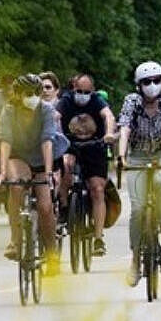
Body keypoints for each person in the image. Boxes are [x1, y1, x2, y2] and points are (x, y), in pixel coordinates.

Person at [118, 61, 161, 287]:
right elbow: (125, 127)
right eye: (147, 81)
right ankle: (135, 262)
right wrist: (121, 155)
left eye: (157, 80)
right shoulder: (132, 102)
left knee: (159, 182)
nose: (152, 85)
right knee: (137, 209)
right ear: (139, 84)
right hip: (137, 155)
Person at [0, 74, 61, 272]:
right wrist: (2, 172)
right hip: (19, 155)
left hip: (42, 157)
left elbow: (47, 141)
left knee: (44, 206)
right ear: (18, 94)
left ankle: (51, 254)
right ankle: (15, 240)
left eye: (36, 92)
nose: (32, 96)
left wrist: (49, 172)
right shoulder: (9, 111)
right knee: (16, 186)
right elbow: (5, 141)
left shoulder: (46, 110)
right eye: (27, 93)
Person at [56, 72, 117, 257]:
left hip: (95, 147)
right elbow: (55, 116)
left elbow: (109, 116)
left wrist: (108, 133)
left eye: (86, 91)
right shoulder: (66, 100)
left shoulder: (97, 100)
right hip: (70, 145)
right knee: (65, 166)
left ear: (92, 91)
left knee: (97, 189)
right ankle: (65, 208)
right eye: (78, 91)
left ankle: (98, 238)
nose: (82, 94)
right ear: (73, 89)